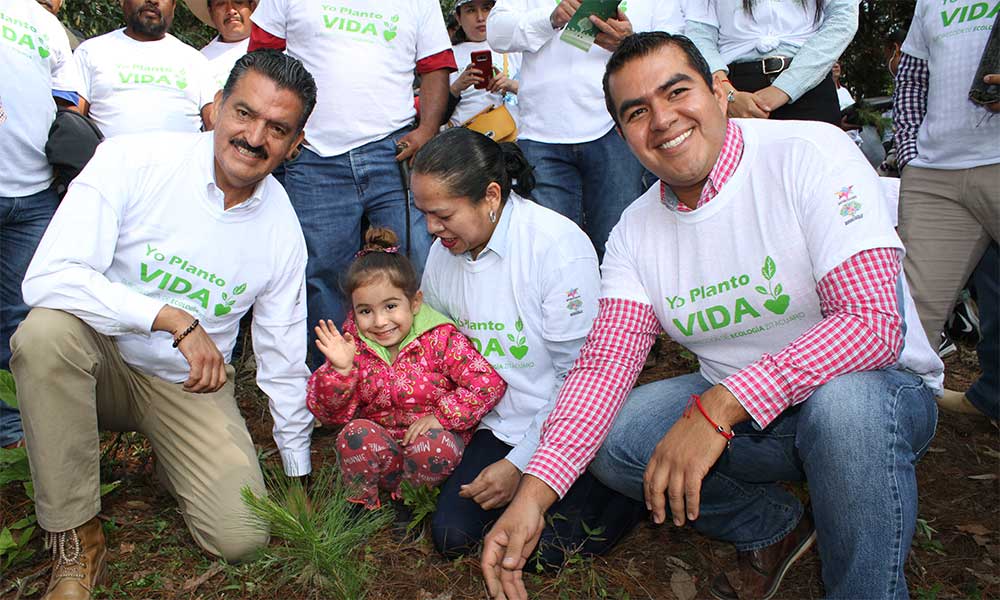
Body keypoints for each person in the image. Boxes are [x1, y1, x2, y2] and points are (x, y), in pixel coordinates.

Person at [481, 32, 943, 600]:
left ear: (720, 91)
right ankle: (771, 524)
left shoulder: (809, 151)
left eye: (677, 92)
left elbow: (872, 324)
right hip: (752, 416)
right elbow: (604, 367)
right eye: (636, 112)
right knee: (614, 439)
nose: (662, 120)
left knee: (845, 409)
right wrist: (533, 497)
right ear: (622, 134)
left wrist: (721, 406)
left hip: (877, 395)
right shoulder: (634, 231)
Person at [11, 50, 317, 600]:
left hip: (188, 386)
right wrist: (167, 317)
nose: (253, 138)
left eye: (277, 129)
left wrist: (297, 474)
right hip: (98, 361)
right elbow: (48, 277)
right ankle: (77, 539)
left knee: (242, 537)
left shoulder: (282, 233)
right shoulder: (132, 159)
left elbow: (283, 358)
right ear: (216, 107)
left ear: (295, 144)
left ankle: (174, 457)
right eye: (244, 113)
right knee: (43, 335)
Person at [413, 128, 645, 567]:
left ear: (491, 196)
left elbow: (581, 376)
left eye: (442, 214)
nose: (430, 228)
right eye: (423, 213)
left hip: (570, 420)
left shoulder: (555, 247)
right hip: (497, 422)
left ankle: (627, 492)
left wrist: (520, 464)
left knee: (545, 552)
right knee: (453, 536)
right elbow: (437, 347)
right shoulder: (444, 254)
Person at [248, 0, 457, 369]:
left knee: (417, 263)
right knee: (322, 275)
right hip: (314, 156)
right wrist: (283, 131)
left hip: (393, 150)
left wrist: (426, 130)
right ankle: (338, 379)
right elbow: (262, 61)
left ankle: (423, 376)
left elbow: (435, 66)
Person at [306, 227, 507, 511]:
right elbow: (330, 415)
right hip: (384, 451)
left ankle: (411, 502)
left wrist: (442, 416)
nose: (379, 321)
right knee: (354, 434)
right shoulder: (353, 347)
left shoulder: (440, 339)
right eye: (365, 311)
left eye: (390, 306)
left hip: (430, 454)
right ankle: (362, 504)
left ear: (414, 303)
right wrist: (340, 372)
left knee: (437, 446)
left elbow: (488, 383)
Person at [486, 0, 684, 259]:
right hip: (542, 134)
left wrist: (630, 43)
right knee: (552, 254)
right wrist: (550, 18)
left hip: (616, 129)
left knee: (618, 247)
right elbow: (496, 32)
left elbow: (674, 51)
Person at [893, 0, 999, 420]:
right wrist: (910, 155)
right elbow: (912, 78)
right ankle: (889, 430)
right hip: (935, 176)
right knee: (907, 320)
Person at [0, 0, 84, 449]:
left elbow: (69, 103)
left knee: (20, 316)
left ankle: (12, 431)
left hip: (34, 193)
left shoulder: (48, 27)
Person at [685, 0, 858, 124]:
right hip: (736, 93)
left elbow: (842, 19)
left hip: (809, 85)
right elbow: (699, 33)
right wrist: (728, 95)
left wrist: (785, 88)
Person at [73, 0, 216, 138]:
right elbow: (73, 120)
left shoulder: (195, 61)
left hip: (184, 155)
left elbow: (215, 123)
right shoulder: (91, 52)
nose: (153, 1)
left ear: (173, 7)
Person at [446, 0, 521, 129]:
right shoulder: (446, 56)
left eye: (486, 9)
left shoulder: (514, 48)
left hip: (510, 137)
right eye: (471, 10)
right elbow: (434, 115)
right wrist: (456, 88)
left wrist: (510, 85)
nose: (480, 18)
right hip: (463, 138)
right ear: (458, 17)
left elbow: (538, 96)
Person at [184, 0, 258, 90]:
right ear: (211, 12)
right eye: (221, 4)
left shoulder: (271, 47)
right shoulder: (199, 62)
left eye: (238, 2)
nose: (231, 11)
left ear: (253, 7)